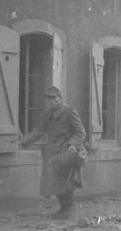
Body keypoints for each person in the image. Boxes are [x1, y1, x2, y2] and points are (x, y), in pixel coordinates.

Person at [20, 86, 87, 218]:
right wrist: (26, 141)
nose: (51, 101)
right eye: (48, 98)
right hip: (52, 153)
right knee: (54, 181)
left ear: (60, 98)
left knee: (66, 182)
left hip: (66, 152)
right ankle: (63, 209)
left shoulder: (69, 112)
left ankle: (68, 209)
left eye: (53, 98)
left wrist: (72, 144)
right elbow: (40, 129)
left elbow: (81, 132)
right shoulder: (48, 113)